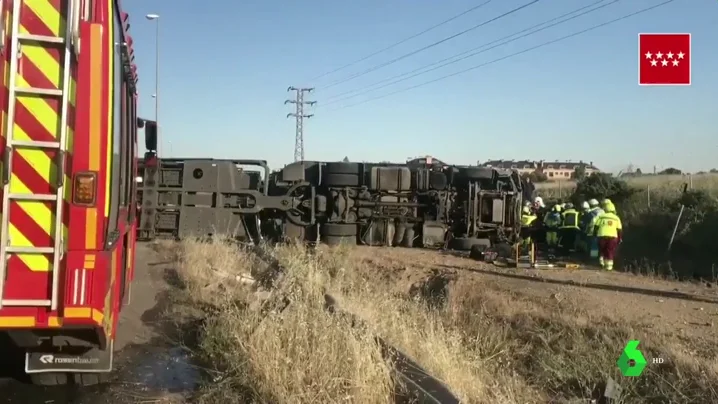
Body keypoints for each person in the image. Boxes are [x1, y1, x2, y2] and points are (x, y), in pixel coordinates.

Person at [594, 201, 622, 270]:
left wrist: (594, 235)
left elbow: (596, 226)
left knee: (602, 250)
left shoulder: (601, 217)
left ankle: (601, 263)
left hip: (602, 236)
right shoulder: (616, 218)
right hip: (612, 237)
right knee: (610, 251)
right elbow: (619, 230)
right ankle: (609, 267)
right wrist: (619, 238)